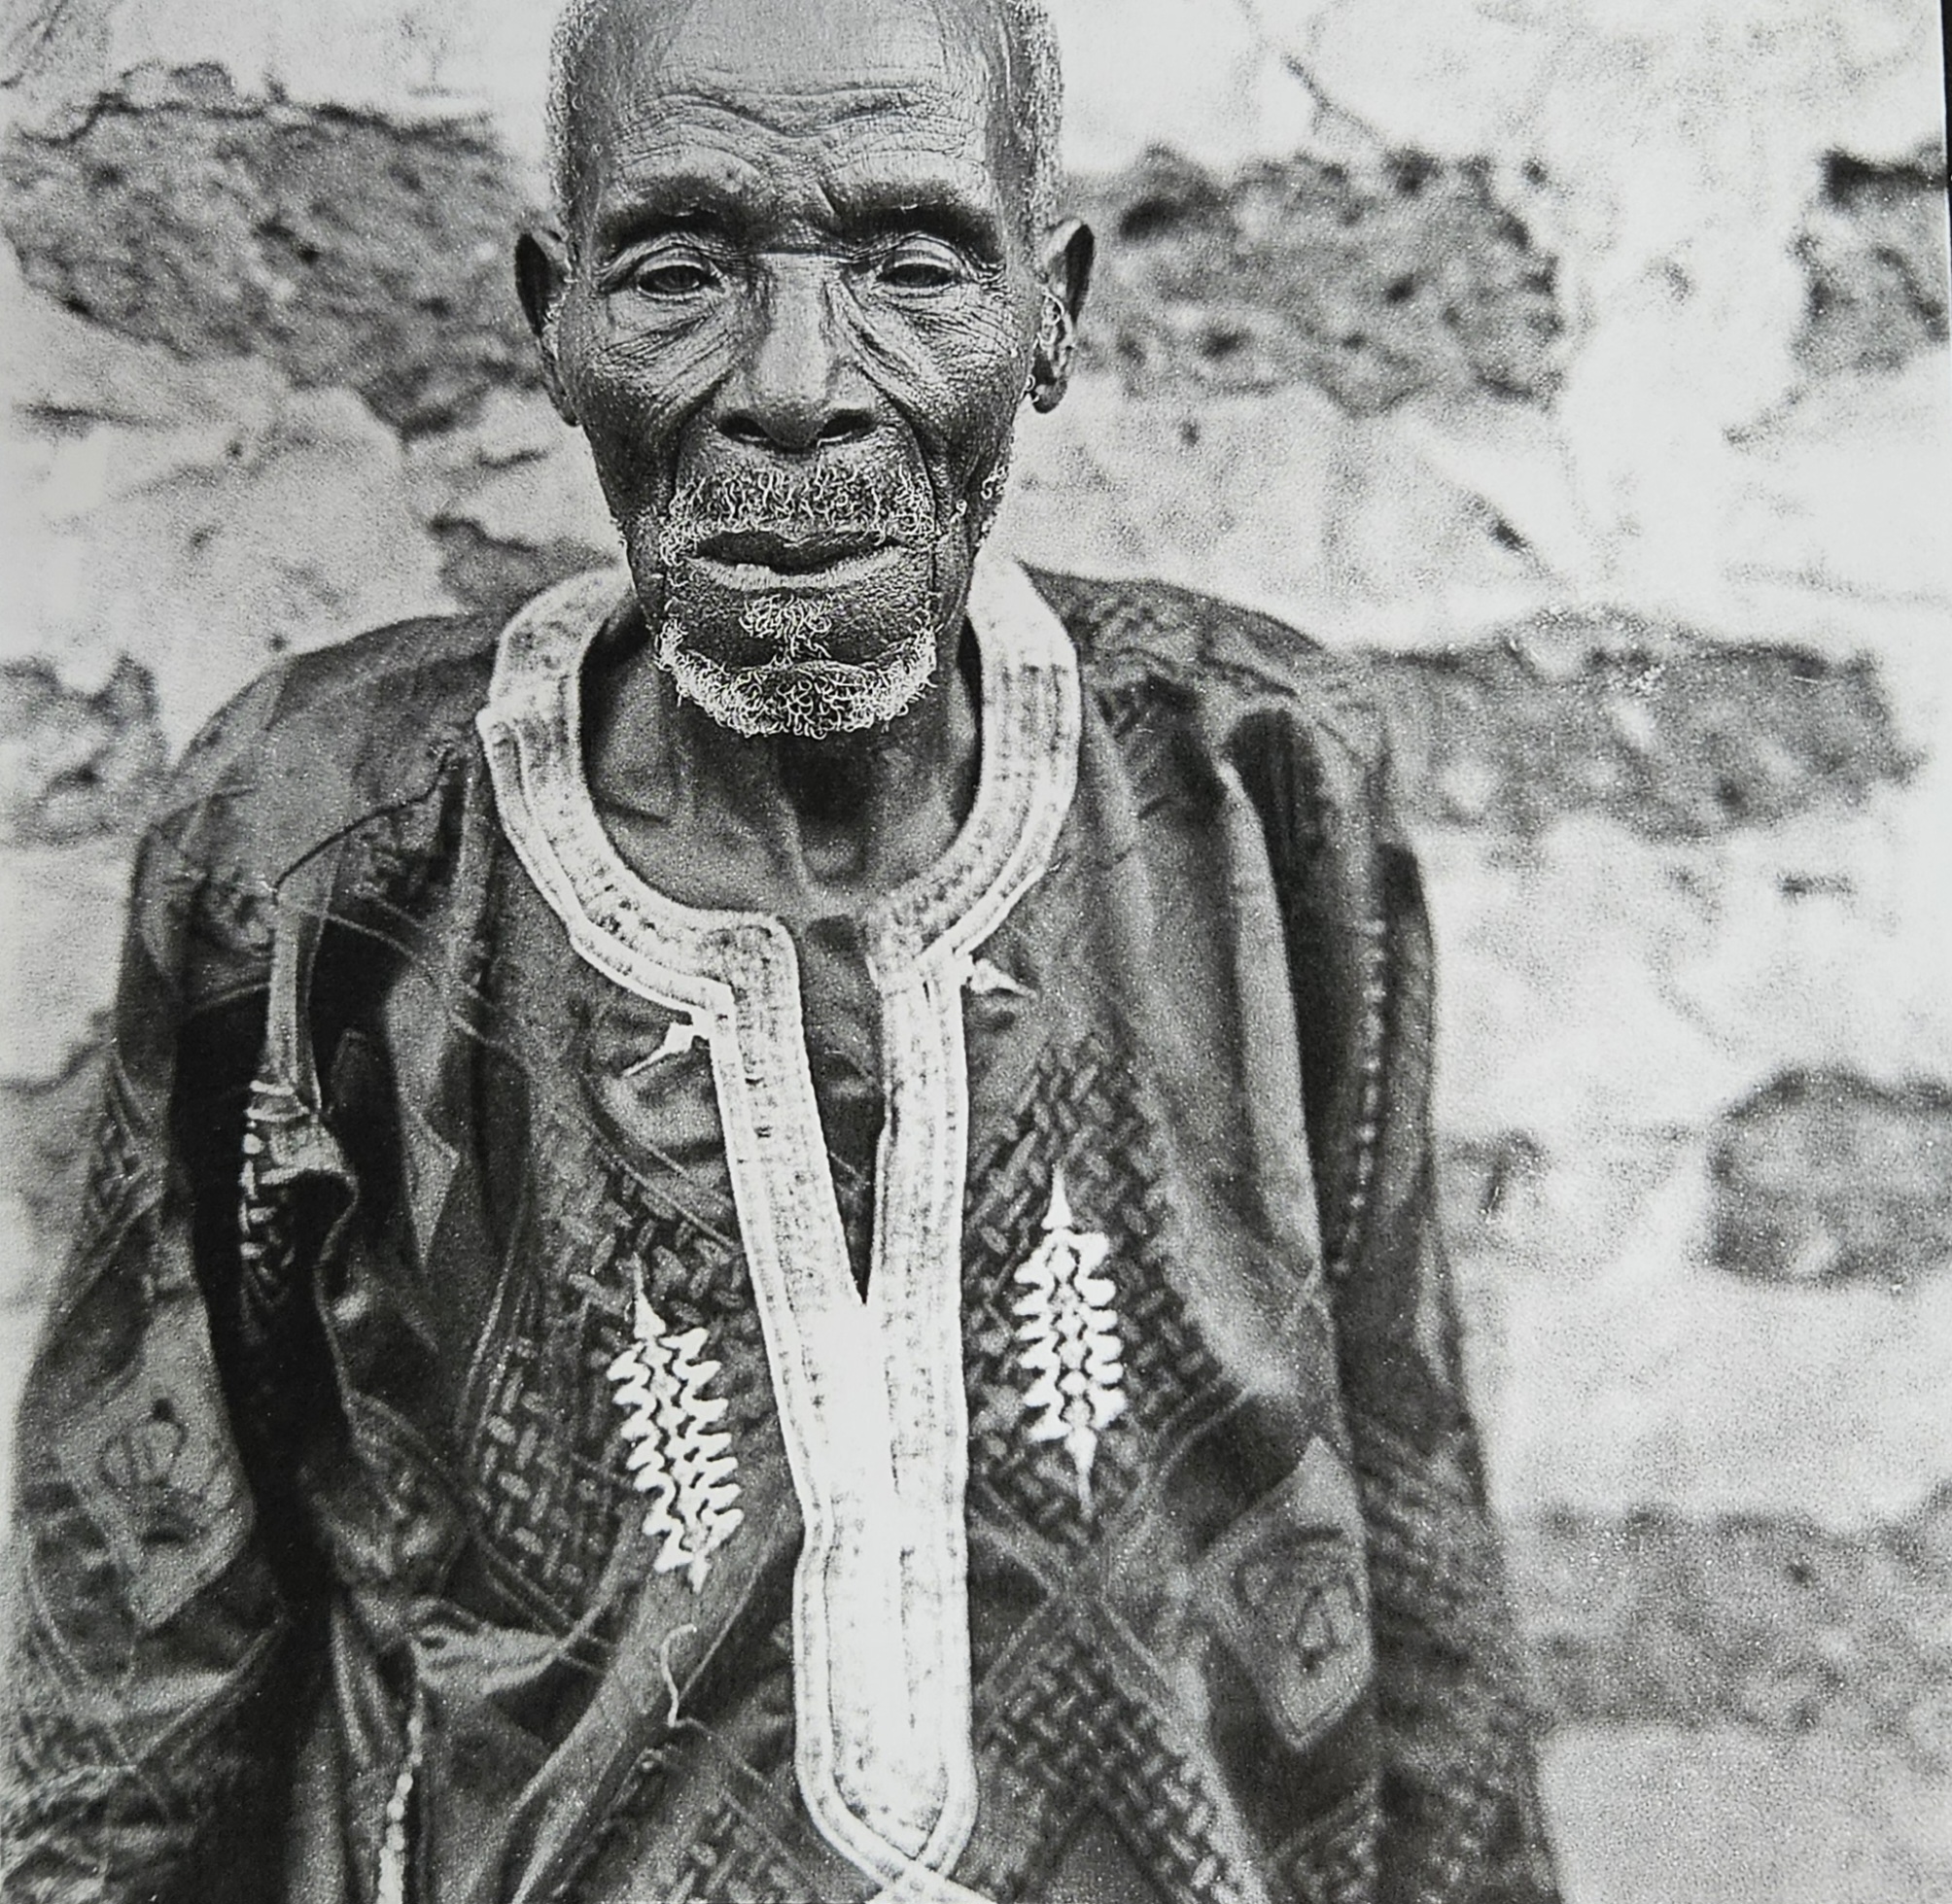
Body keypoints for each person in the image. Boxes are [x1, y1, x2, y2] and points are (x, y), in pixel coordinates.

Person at [1, 0, 1560, 1897]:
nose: (798, 383)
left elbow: (1414, 1550)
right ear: (555, 320)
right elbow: (133, 1659)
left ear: (1048, 312)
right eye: (679, 269)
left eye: (913, 263)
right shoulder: (321, 851)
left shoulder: (1255, 788)